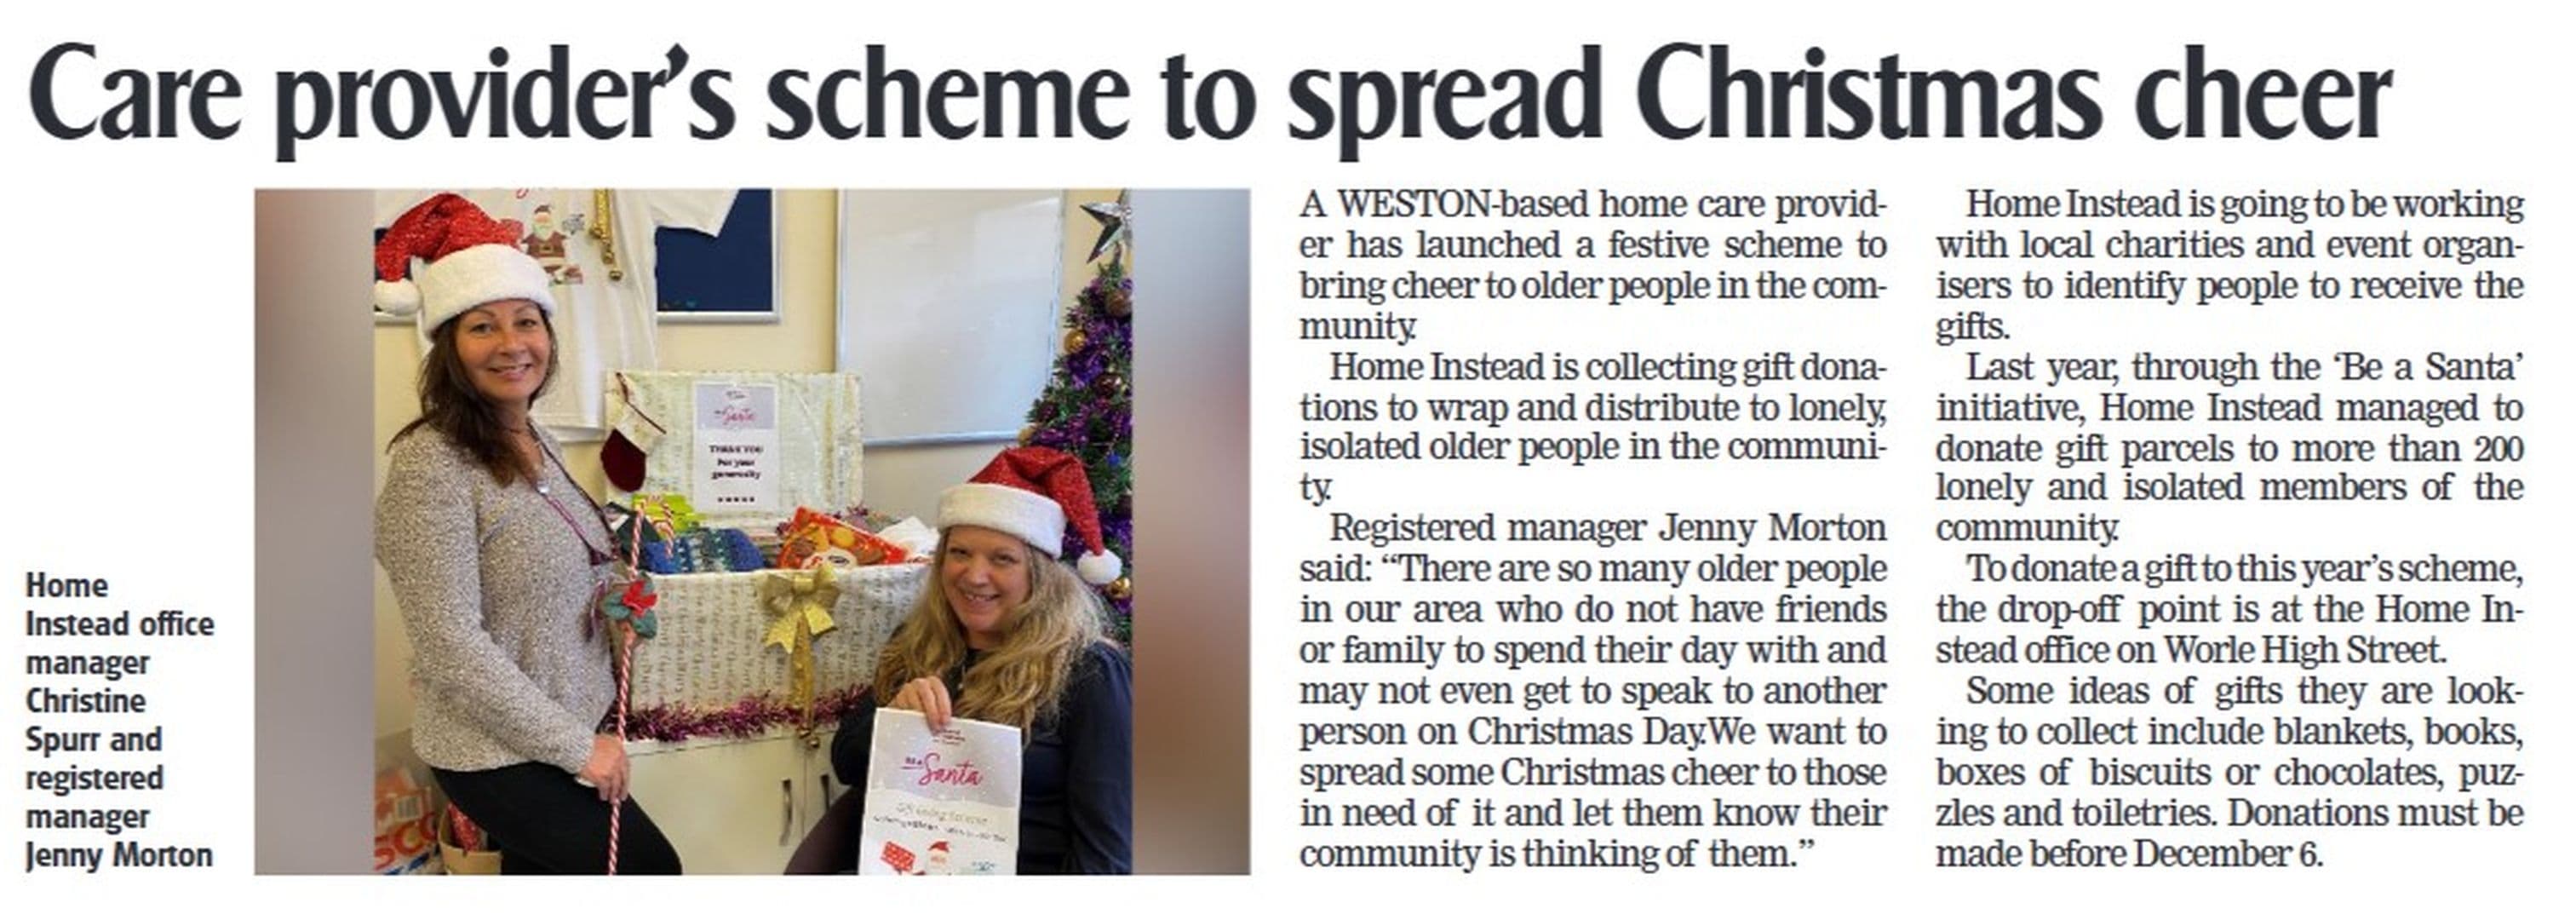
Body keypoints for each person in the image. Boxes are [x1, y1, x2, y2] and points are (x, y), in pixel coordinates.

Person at [372, 193, 681, 874]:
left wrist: (613, 593)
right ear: (448, 347)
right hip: (499, 751)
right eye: (482, 327)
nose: (513, 345)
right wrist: (577, 749)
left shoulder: (530, 433)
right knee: (649, 873)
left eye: (526, 322)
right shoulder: (433, 463)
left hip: (564, 726)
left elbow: (553, 554)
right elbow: (449, 643)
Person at [831, 446, 1134, 874]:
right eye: (959, 553)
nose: (974, 575)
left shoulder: (1089, 672)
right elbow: (846, 764)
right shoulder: (918, 644)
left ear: (1039, 574)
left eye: (1002, 559)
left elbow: (1107, 855)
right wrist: (891, 716)